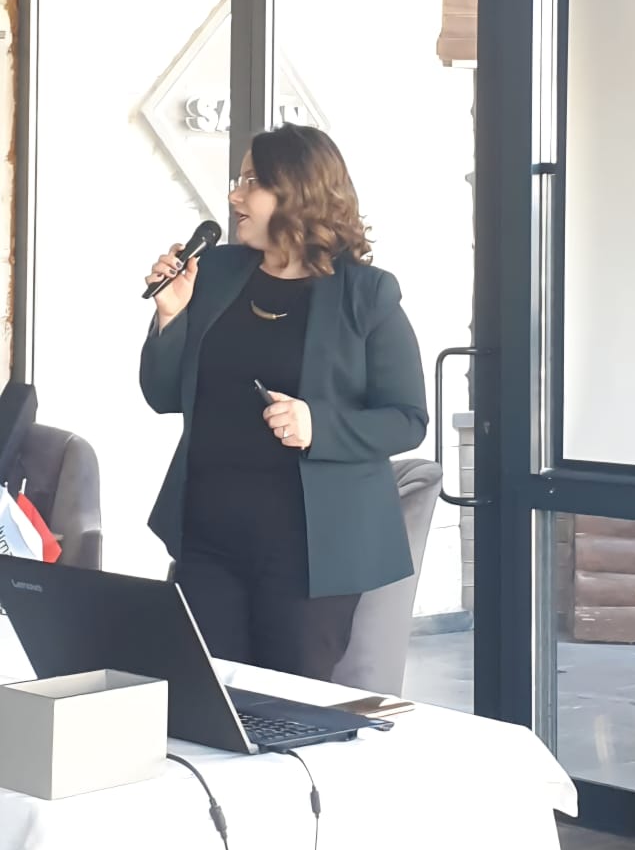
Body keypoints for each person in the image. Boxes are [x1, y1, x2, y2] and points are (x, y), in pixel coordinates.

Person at [140, 123, 427, 681]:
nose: (234, 195)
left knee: (287, 704)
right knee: (203, 696)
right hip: (209, 538)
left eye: (250, 180)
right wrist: (171, 315)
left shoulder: (366, 295)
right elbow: (162, 395)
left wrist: (319, 425)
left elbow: (407, 419)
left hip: (308, 554)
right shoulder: (218, 272)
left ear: (295, 191)